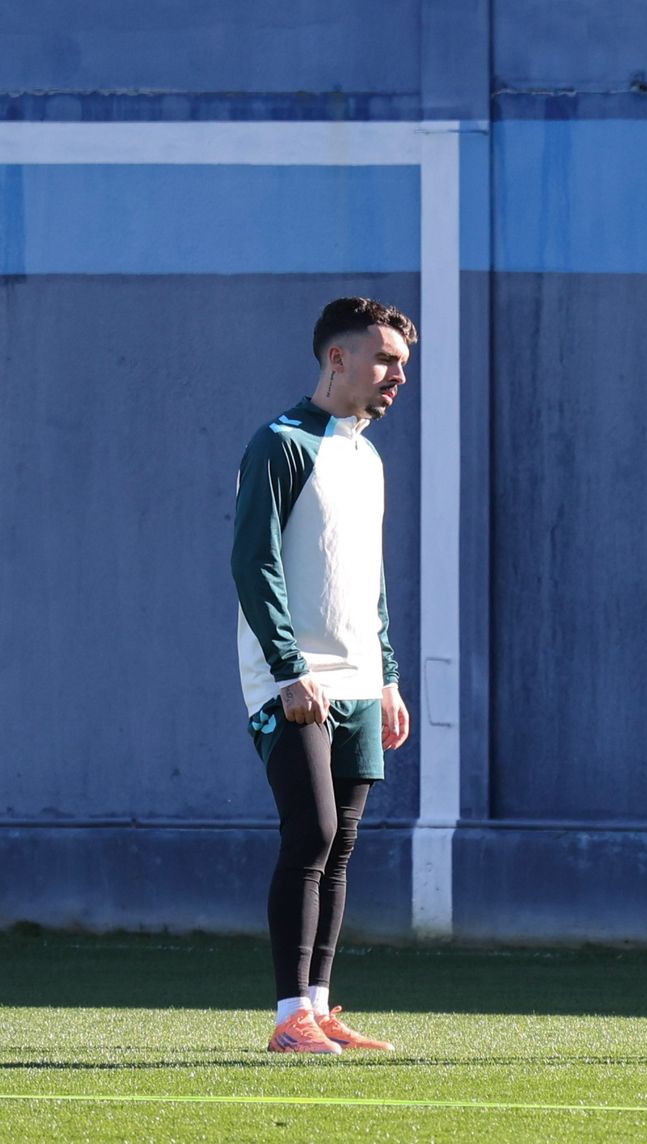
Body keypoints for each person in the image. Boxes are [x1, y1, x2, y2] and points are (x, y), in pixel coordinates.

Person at [231, 297, 417, 1054]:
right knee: (311, 831)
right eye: (384, 360)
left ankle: (320, 1004)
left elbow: (366, 580)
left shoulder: (367, 455)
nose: (397, 377)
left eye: (403, 365)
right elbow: (254, 562)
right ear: (336, 358)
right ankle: (286, 1020)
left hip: (358, 679)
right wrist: (287, 667)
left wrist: (388, 677)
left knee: (341, 847)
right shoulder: (280, 443)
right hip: (292, 679)